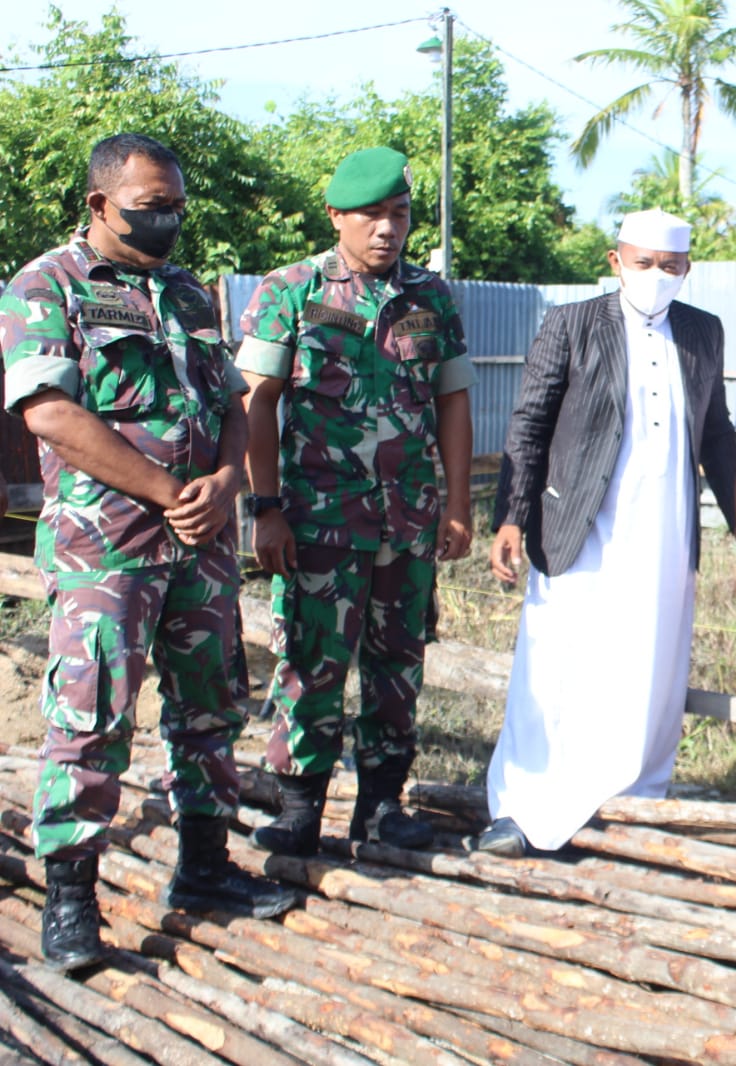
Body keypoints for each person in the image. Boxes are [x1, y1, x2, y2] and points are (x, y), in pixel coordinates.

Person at [0, 133, 294, 972]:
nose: (166, 220)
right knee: (91, 716)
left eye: (175, 207)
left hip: (200, 547)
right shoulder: (45, 286)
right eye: (148, 207)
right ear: (99, 204)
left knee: (211, 705)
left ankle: (203, 868)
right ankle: (70, 900)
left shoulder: (189, 295)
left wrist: (229, 477)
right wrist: (169, 492)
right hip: (109, 549)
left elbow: (235, 400)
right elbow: (51, 415)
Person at [475, 208, 736, 856]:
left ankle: (630, 804)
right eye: (643, 263)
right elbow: (530, 423)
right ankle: (523, 808)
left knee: (649, 665)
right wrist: (511, 514)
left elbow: (716, 438)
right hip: (578, 525)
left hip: (664, 530)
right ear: (615, 259)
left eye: (670, 266)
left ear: (687, 269)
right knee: (556, 661)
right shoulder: (572, 324)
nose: (655, 276)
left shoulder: (703, 332)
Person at [236, 147, 476, 856]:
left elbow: (453, 400)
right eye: (371, 214)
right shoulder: (292, 290)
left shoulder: (430, 296)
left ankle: (381, 807)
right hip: (319, 523)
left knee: (398, 666)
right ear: (337, 216)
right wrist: (266, 506)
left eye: (398, 214)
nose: (386, 229)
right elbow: (257, 402)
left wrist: (457, 504)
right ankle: (298, 806)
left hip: (407, 525)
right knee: (311, 664)